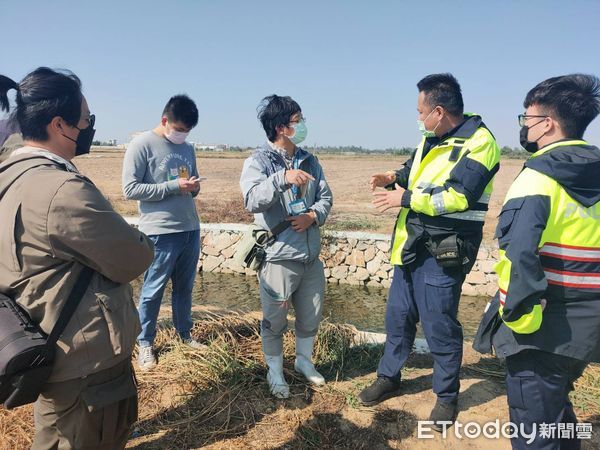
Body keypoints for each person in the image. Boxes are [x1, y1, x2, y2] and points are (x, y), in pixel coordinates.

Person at [0, 68, 154, 449]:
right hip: (85, 363)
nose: (89, 127)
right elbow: (133, 257)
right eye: (85, 120)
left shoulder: (10, 175)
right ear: (59, 125)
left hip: (41, 340)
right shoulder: (62, 190)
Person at [358, 74, 501, 428]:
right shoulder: (431, 138)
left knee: (440, 325)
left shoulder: (480, 143)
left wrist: (402, 198)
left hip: (444, 251)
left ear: (439, 110)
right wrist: (391, 176)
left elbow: (458, 196)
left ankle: (447, 396)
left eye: (422, 112)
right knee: (398, 317)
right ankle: (389, 377)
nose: (419, 118)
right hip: (412, 245)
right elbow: (414, 171)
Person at [488, 74, 600, 449]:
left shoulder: (537, 177)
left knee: (535, 433)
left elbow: (518, 255)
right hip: (587, 328)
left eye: (527, 119)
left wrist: (518, 323)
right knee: (557, 412)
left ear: (548, 123)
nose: (524, 127)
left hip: (541, 331)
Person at [240, 95, 333, 398]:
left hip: (310, 257)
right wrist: (281, 178)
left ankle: (304, 363)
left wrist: (312, 216)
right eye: (297, 120)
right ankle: (275, 371)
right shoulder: (259, 161)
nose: (302, 124)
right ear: (281, 127)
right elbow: (252, 200)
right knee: (275, 320)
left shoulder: (310, 159)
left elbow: (326, 198)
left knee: (311, 315)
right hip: (279, 258)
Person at [122, 94, 205, 371]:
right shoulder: (141, 145)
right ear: (164, 120)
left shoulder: (188, 149)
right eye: (179, 129)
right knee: (153, 290)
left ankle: (184, 335)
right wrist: (172, 187)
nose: (182, 135)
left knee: (185, 288)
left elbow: (191, 185)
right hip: (159, 232)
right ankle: (145, 342)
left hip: (190, 228)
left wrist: (194, 187)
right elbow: (130, 189)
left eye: (187, 131)